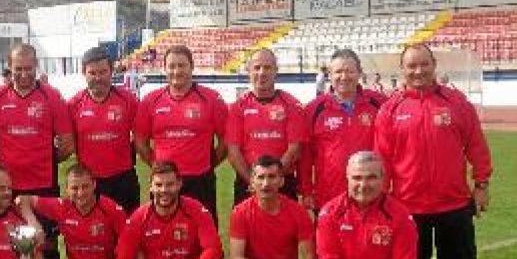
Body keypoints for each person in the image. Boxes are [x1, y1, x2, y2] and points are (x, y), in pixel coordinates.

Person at [375, 43, 492, 259]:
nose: (418, 71)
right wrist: (381, 202)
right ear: (403, 70)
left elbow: (476, 146)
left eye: (424, 64)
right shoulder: (391, 109)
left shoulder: (456, 103)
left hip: (454, 205)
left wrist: (481, 184)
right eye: (411, 66)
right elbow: (382, 159)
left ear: (434, 64)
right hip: (407, 207)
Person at [0, 43, 74, 259]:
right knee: (8, 245)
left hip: (43, 185)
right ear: (9, 67)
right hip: (8, 188)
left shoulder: (51, 96)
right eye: (17, 69)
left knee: (46, 244)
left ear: (36, 66)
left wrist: (43, 160)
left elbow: (67, 144)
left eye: (28, 68)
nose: (23, 74)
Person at [134, 45, 228, 219]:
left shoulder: (212, 99)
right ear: (164, 69)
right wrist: (156, 164)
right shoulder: (150, 101)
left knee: (202, 234)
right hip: (163, 182)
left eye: (181, 65)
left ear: (191, 67)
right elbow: (140, 141)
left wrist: (209, 163)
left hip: (200, 180)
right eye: (171, 66)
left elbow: (226, 140)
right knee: (162, 233)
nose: (176, 71)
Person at [299, 48, 386, 211]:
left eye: (350, 71)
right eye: (338, 72)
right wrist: (306, 190)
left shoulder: (379, 103)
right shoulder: (314, 109)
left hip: (370, 193)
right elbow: (306, 154)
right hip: (328, 196)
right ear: (329, 75)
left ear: (359, 73)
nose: (344, 77)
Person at [226, 48, 305, 203]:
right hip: (247, 181)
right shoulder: (237, 107)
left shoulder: (292, 105)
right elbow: (233, 151)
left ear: (276, 71)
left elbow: (294, 149)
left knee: (285, 227)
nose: (262, 72)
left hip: (283, 182)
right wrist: (254, 181)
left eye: (267, 67)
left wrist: (272, 179)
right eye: (257, 67)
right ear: (248, 71)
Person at [69, 46, 141, 213]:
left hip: (123, 180)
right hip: (89, 184)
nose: (98, 78)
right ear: (84, 73)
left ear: (111, 71)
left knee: (127, 234)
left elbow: (142, 137)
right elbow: (68, 143)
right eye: (92, 73)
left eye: (103, 72)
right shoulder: (74, 105)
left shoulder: (128, 100)